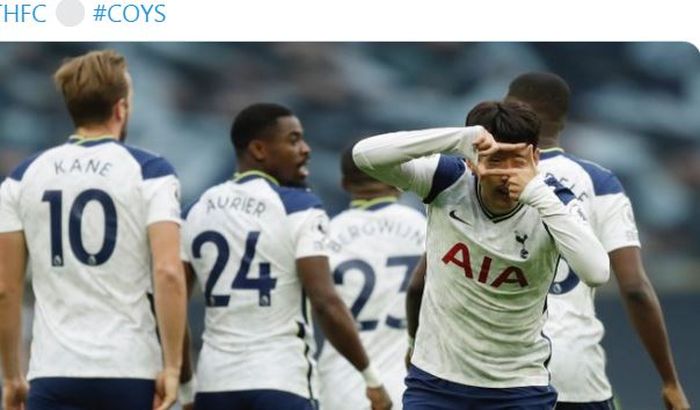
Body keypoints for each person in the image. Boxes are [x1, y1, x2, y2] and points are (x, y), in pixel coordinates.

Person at [353, 100, 611, 409]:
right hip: (436, 381)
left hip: (518, 386)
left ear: (536, 158)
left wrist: (538, 194)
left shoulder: (553, 201)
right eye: (496, 159)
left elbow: (597, 272)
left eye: (517, 160)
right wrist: (459, 139)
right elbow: (365, 155)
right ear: (472, 160)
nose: (506, 173)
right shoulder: (447, 181)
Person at [0, 50, 187, 410]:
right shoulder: (151, 171)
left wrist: (11, 378)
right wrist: (173, 365)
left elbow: (6, 289)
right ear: (121, 108)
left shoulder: (22, 178)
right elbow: (168, 273)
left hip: (53, 372)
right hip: (128, 370)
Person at [179, 103, 392, 410]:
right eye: (293, 140)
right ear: (259, 149)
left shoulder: (195, 211)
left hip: (216, 385)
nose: (305, 149)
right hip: (281, 381)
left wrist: (187, 387)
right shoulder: (298, 206)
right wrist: (370, 378)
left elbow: (171, 305)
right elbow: (325, 302)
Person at [504, 72, 690, 410]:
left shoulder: (472, 180)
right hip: (574, 371)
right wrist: (669, 381)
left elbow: (424, 282)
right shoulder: (598, 182)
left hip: (488, 370)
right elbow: (634, 288)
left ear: (506, 113)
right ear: (563, 120)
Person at [317, 147, 426, 410]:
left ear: (344, 184)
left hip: (341, 387)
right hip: (413, 384)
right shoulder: (427, 229)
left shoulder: (323, 236)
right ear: (398, 179)